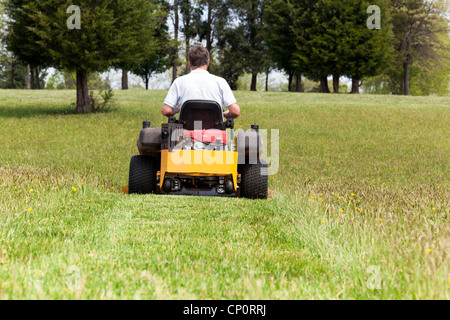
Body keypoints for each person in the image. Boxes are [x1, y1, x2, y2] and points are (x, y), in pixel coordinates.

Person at [162, 45, 240, 119]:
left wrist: (177, 110)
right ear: (208, 62)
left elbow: (166, 111)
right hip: (214, 131)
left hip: (186, 131)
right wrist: (227, 114)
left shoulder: (179, 82)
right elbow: (235, 111)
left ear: (189, 63)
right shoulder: (220, 82)